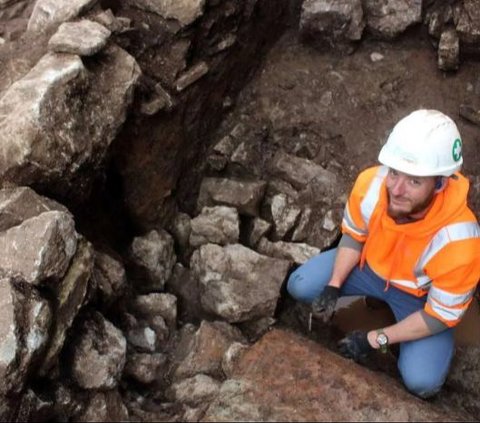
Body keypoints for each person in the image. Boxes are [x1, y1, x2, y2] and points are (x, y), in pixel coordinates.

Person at [287, 109, 480, 399]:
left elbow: (439, 316)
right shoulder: (371, 185)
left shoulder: (460, 241)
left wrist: (375, 338)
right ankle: (376, 300)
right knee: (300, 285)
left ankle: (395, 321)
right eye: (394, 173)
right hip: (370, 269)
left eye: (414, 181)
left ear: (440, 184)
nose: (396, 190)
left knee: (422, 382)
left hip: (420, 299)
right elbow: (354, 237)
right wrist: (333, 285)